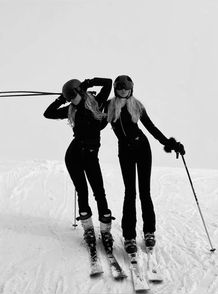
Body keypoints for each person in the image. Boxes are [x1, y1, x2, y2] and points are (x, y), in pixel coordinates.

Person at [105, 75, 185, 253]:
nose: (123, 90)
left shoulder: (137, 106)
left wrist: (171, 144)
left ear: (131, 88)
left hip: (142, 148)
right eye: (120, 87)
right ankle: (129, 236)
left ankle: (149, 232)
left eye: (126, 87)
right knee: (129, 193)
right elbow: (96, 122)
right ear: (116, 88)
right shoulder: (109, 106)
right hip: (125, 151)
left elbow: (151, 128)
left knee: (144, 192)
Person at [44, 77, 114, 252]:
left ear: (80, 91)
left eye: (71, 96)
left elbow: (108, 82)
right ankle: (88, 229)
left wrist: (88, 82)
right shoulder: (70, 109)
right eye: (68, 98)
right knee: (82, 191)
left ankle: (105, 231)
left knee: (99, 192)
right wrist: (60, 98)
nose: (70, 100)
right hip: (74, 155)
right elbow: (48, 113)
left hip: (91, 156)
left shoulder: (96, 102)